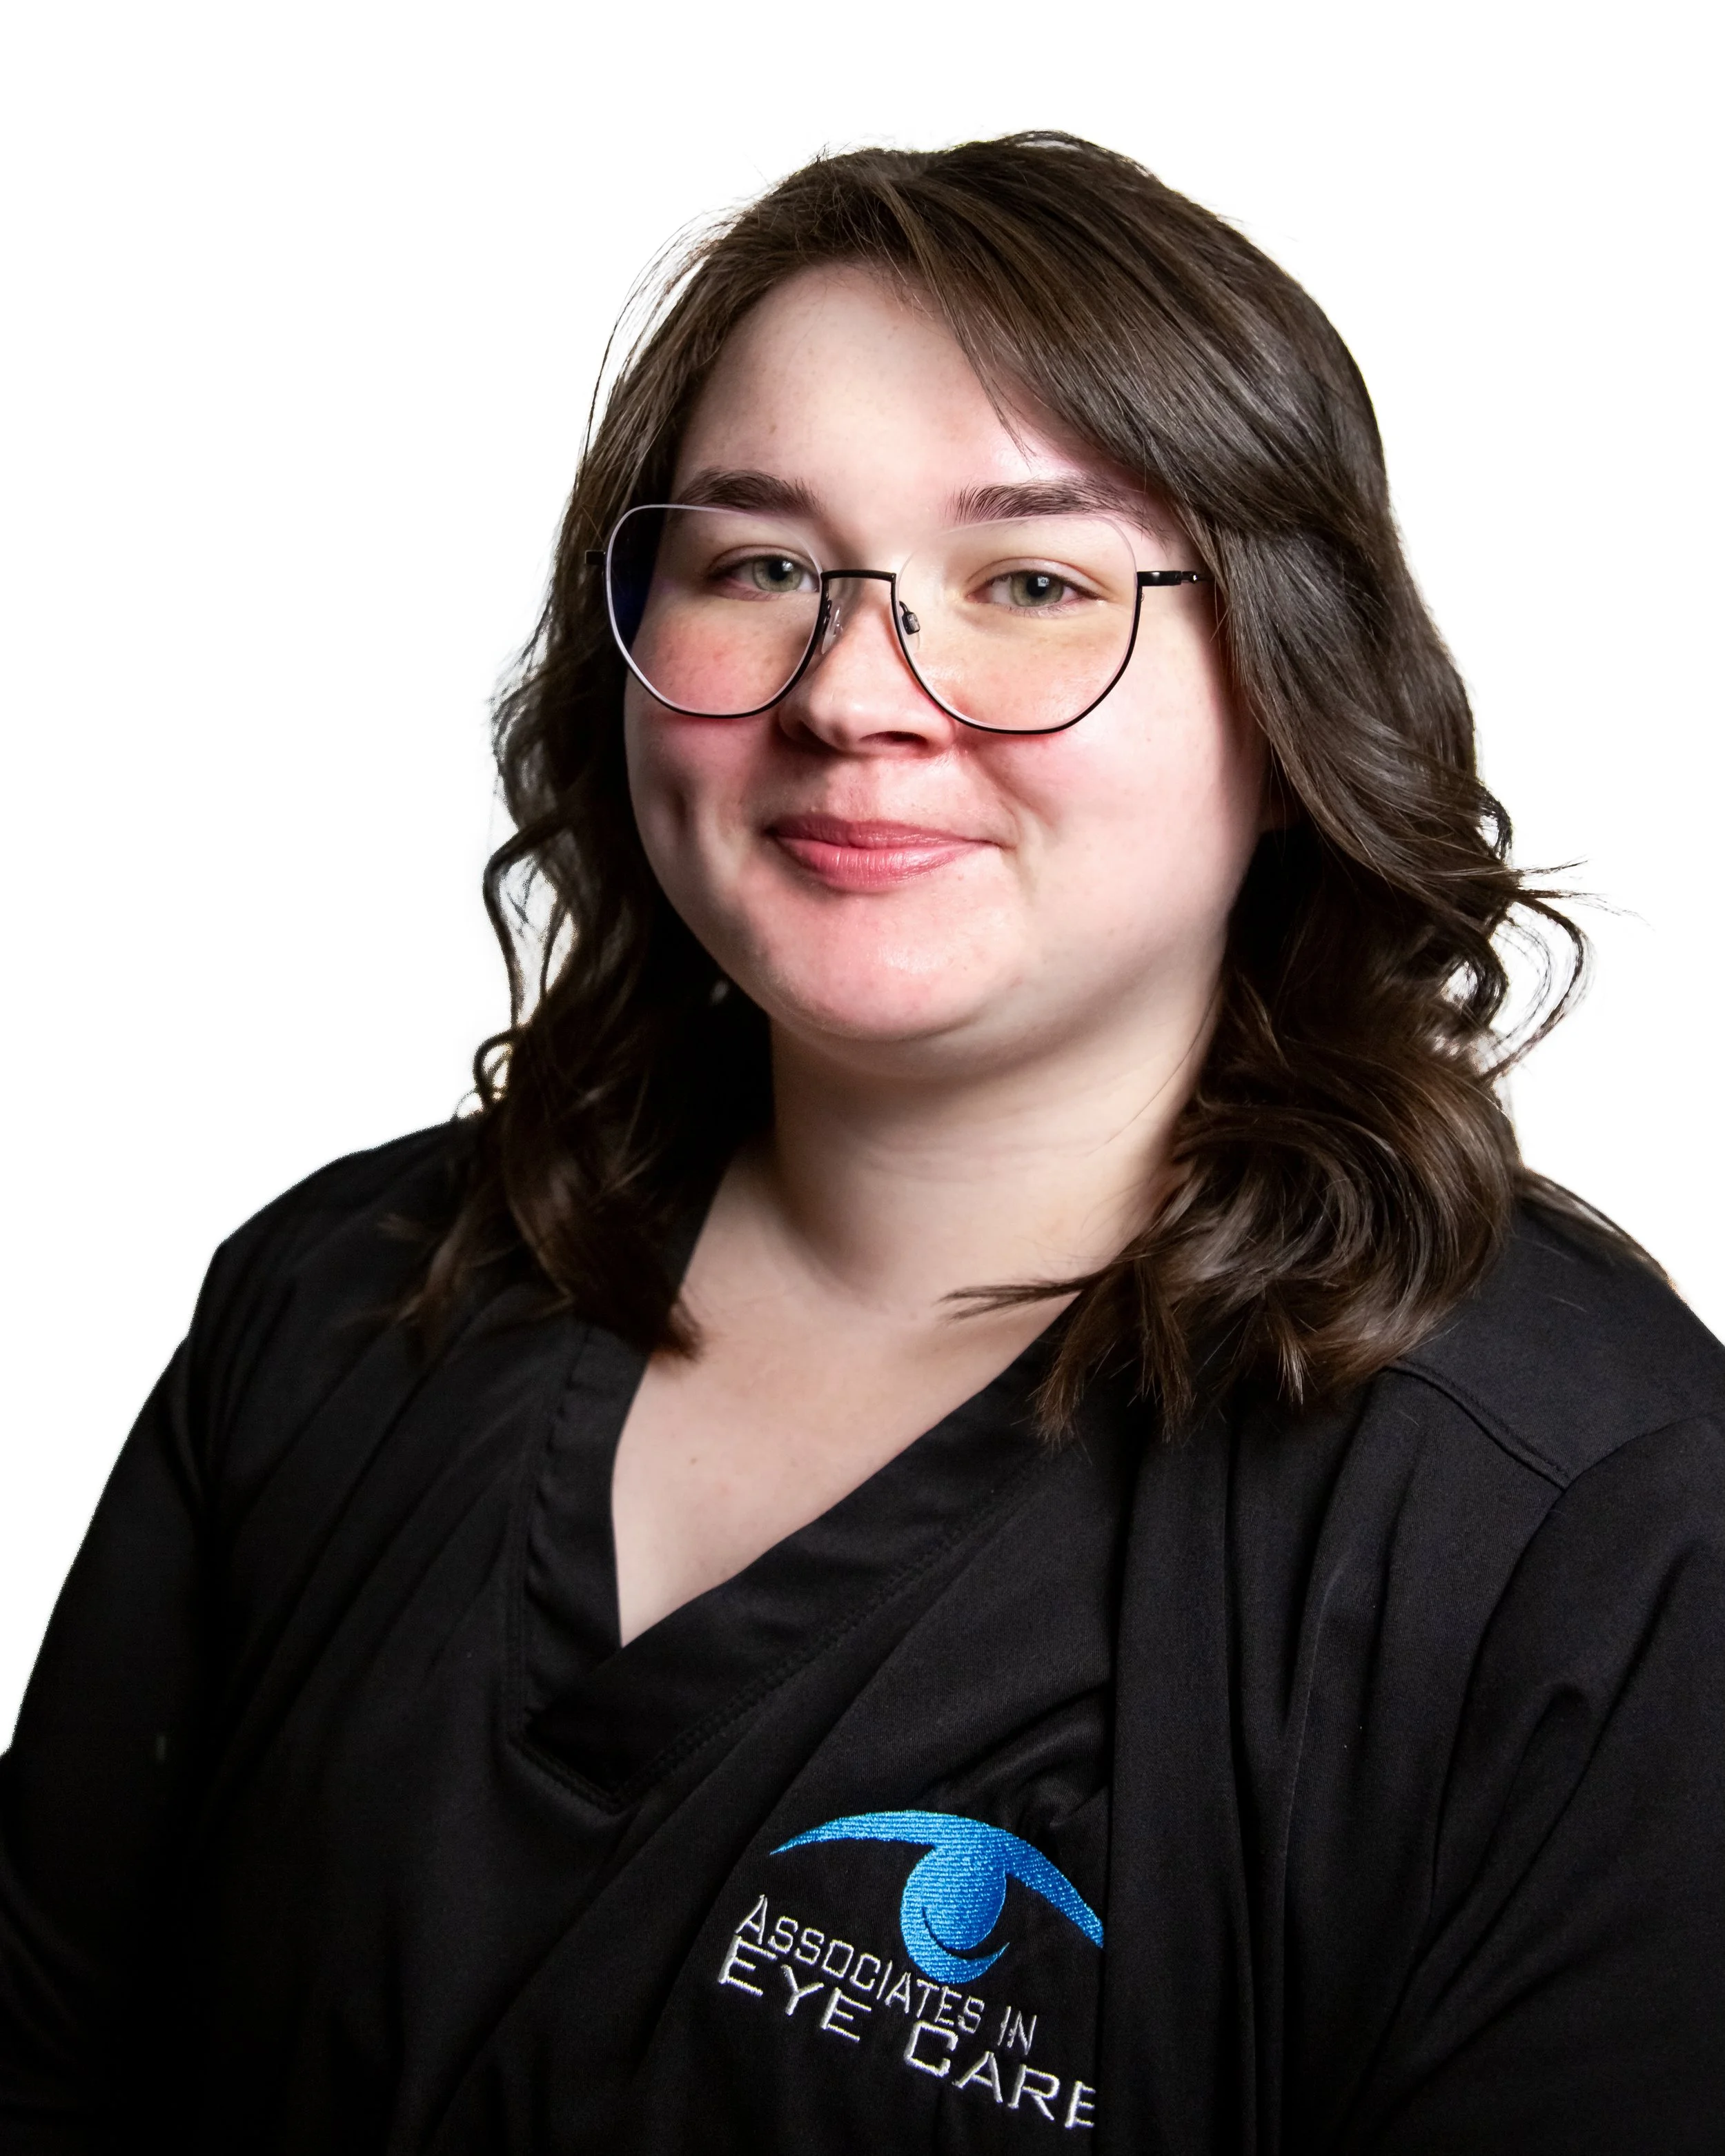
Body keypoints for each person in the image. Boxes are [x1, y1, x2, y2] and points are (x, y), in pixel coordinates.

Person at [1, 132, 1721, 2156]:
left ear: (1290, 693)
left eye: (1031, 584)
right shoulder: (330, 1304)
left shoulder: (1583, 1528)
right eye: (756, 569)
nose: (851, 695)